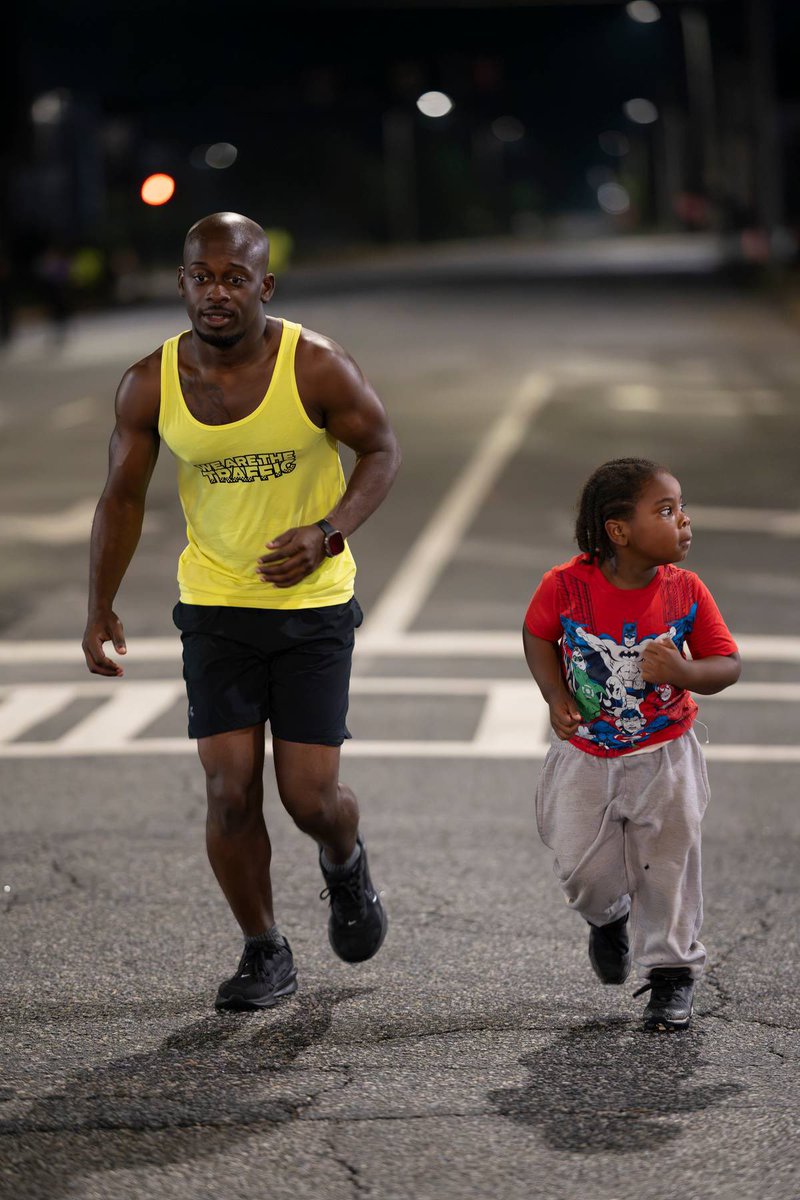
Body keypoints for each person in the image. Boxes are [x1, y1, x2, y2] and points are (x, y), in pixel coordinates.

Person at [82, 212, 401, 1011]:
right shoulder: (150, 382)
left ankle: (344, 862)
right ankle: (264, 949)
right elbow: (121, 497)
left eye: (234, 278)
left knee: (310, 798)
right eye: (202, 277)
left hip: (310, 608)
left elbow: (381, 451)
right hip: (216, 605)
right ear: (182, 282)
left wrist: (328, 532)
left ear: (266, 285)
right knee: (228, 792)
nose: (216, 293)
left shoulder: (316, 366)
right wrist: (99, 604)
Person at [522, 458, 740, 1032]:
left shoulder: (686, 591)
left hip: (665, 756)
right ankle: (607, 918)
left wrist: (685, 672)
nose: (684, 520)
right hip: (585, 756)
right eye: (666, 511)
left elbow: (727, 663)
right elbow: (538, 633)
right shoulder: (565, 586)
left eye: (681, 507)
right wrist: (554, 694)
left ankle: (671, 974)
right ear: (618, 530)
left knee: (667, 868)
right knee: (582, 873)